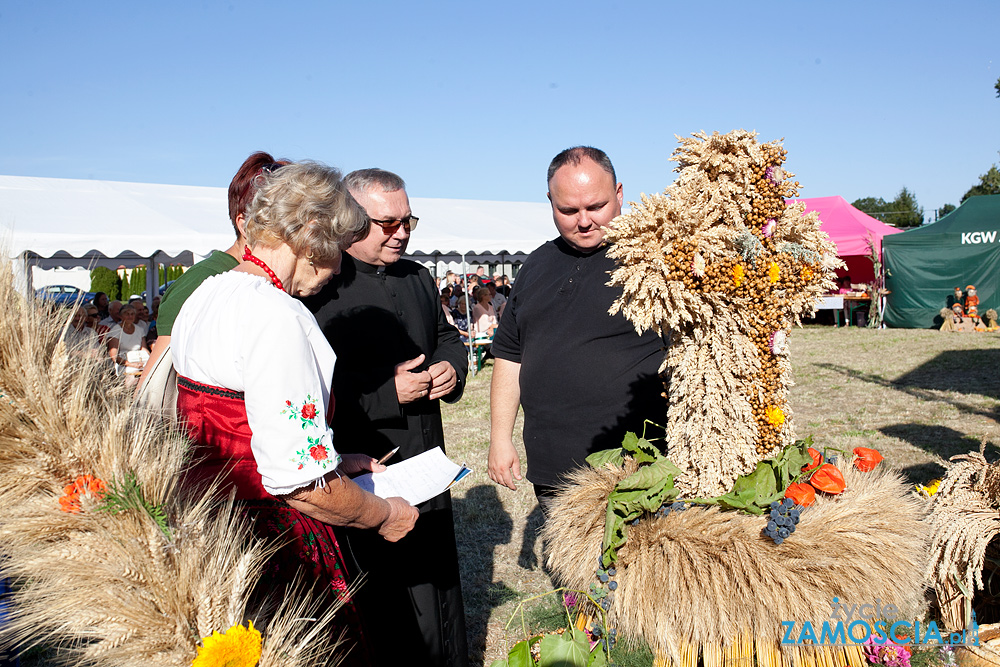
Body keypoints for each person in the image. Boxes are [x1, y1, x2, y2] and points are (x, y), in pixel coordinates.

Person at [171, 162, 419, 664]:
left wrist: (330, 456)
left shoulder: (207, 293)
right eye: (337, 251)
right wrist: (384, 514)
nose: (336, 271)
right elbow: (302, 486)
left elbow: (239, 427)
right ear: (311, 238)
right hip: (276, 542)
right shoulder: (276, 316)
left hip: (212, 530)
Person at [304, 168, 469, 667]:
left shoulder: (418, 277)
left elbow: (446, 337)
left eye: (409, 221)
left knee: (437, 578)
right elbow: (312, 387)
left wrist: (450, 369)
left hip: (427, 454)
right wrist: (385, 391)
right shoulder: (322, 287)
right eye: (387, 223)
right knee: (387, 595)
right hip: (367, 462)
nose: (401, 233)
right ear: (351, 221)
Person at [488, 146, 667, 514]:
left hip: (634, 469)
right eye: (568, 210)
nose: (584, 221)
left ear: (619, 194)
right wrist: (500, 438)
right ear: (550, 201)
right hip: (554, 469)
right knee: (567, 570)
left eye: (596, 207)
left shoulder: (656, 259)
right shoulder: (536, 263)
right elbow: (510, 355)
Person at [137, 152, 288, 393]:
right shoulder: (201, 280)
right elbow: (154, 384)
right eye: (286, 223)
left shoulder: (283, 283)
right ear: (245, 225)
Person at [106, 303, 150, 382]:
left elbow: (144, 349)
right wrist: (131, 364)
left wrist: (150, 360)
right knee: (133, 379)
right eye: (127, 314)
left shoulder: (139, 329)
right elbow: (114, 356)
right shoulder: (115, 331)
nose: (130, 316)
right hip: (124, 364)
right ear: (121, 316)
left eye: (132, 314)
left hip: (140, 361)